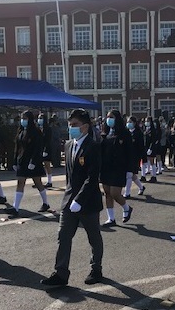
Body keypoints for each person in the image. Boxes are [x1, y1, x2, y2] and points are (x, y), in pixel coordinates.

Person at [41, 109, 104, 286]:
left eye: (75, 125)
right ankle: (61, 273)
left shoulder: (93, 146)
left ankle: (96, 269)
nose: (71, 128)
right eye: (70, 125)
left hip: (88, 201)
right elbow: (70, 176)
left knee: (94, 237)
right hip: (69, 201)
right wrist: (70, 198)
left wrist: (80, 199)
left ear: (85, 126)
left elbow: (92, 177)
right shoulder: (69, 145)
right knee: (63, 236)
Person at [6, 110, 49, 217]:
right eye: (22, 118)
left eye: (25, 119)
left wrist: (34, 161)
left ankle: (46, 203)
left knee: (38, 182)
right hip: (22, 160)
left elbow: (37, 148)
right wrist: (15, 161)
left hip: (32, 161)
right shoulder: (21, 131)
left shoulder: (36, 132)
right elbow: (17, 147)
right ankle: (15, 207)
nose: (23, 121)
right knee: (20, 182)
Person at [100, 110, 134, 227]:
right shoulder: (105, 133)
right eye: (108, 117)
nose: (109, 119)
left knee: (115, 193)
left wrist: (130, 169)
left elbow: (130, 152)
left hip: (118, 168)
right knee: (107, 193)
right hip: (106, 167)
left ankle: (126, 208)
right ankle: (111, 218)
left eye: (112, 117)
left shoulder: (124, 133)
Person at [123, 116, 146, 198]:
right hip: (127, 156)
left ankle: (127, 193)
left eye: (130, 122)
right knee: (132, 175)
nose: (128, 124)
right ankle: (141, 187)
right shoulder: (126, 132)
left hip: (135, 157)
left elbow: (141, 147)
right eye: (127, 122)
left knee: (129, 174)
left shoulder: (138, 133)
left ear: (134, 123)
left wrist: (142, 158)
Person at [37, 113, 54, 187]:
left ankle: (49, 181)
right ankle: (38, 182)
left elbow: (48, 140)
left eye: (41, 118)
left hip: (46, 149)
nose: (39, 120)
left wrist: (45, 150)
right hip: (39, 149)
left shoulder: (48, 129)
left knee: (47, 165)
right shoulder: (38, 128)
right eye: (39, 118)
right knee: (39, 166)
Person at [143, 116, 160, 183]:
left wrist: (150, 148)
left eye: (147, 121)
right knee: (147, 162)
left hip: (151, 148)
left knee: (152, 162)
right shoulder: (146, 129)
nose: (146, 122)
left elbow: (153, 140)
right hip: (146, 147)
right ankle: (146, 175)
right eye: (145, 121)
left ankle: (154, 176)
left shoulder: (153, 130)